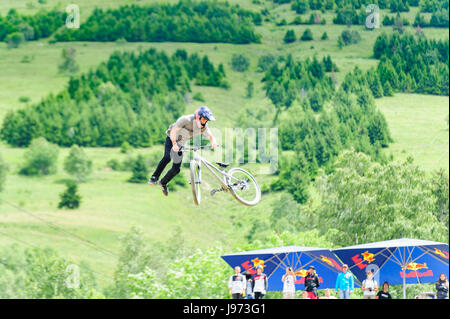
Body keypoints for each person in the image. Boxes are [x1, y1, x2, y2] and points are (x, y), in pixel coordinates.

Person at [148, 106, 218, 196]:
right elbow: (173, 131)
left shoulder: (203, 127)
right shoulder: (185, 120)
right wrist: (174, 144)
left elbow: (210, 135)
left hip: (181, 144)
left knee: (176, 169)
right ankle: (154, 177)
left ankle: (163, 182)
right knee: (167, 157)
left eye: (206, 120)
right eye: (204, 119)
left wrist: (213, 142)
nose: (205, 122)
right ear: (198, 116)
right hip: (171, 139)